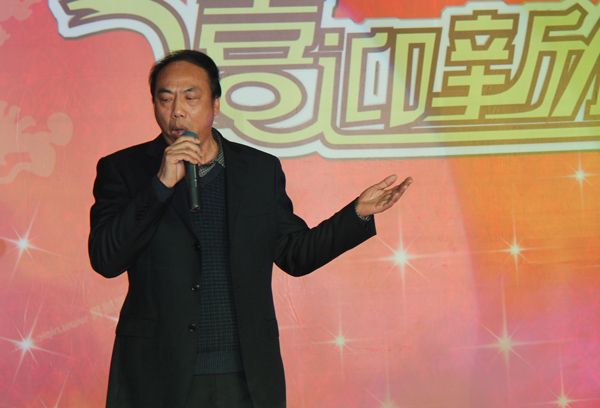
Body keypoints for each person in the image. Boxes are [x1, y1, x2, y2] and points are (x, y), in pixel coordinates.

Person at [89, 49, 412, 408]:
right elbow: (106, 259)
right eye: (165, 99)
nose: (177, 110)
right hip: (157, 374)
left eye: (190, 97)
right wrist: (160, 186)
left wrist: (357, 214)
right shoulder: (123, 170)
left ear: (215, 103)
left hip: (245, 375)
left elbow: (296, 254)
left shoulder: (259, 170)